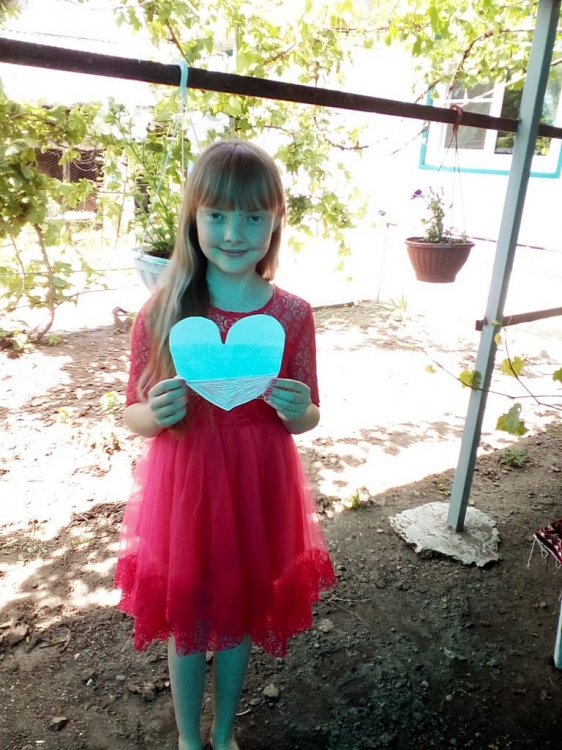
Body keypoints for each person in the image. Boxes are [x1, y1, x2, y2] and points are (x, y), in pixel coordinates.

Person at [115, 138, 336, 750]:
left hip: (258, 481)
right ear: (193, 216)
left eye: (253, 217)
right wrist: (154, 414)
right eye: (216, 214)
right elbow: (132, 411)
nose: (234, 233)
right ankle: (190, 739)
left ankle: (223, 730)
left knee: (240, 610)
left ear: (275, 222)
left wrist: (298, 409)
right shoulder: (164, 310)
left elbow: (309, 414)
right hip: (186, 481)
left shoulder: (292, 315)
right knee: (188, 613)